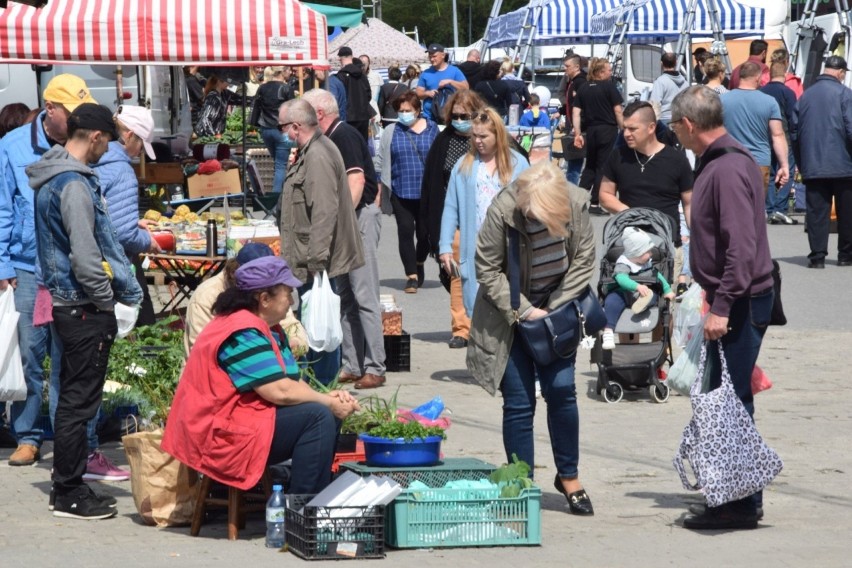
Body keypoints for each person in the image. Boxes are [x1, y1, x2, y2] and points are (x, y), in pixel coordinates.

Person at [162, 256, 360, 496]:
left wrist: (329, 397)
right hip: (215, 434)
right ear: (264, 299)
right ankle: (303, 506)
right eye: (287, 293)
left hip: (241, 419)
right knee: (317, 417)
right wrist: (326, 401)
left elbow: (291, 383)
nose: (291, 300)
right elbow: (279, 391)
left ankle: (316, 498)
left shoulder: (269, 327)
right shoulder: (241, 330)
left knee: (325, 411)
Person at [670, 85, 776, 530]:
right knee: (728, 398)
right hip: (735, 296)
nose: (674, 132)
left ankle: (741, 502)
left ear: (689, 125)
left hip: (741, 299)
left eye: (675, 125)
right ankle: (736, 495)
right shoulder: (723, 161)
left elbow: (741, 245)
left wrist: (722, 306)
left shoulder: (728, 167)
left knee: (732, 401)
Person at [30, 103, 143, 519]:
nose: (107, 150)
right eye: (107, 142)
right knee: (79, 403)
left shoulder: (50, 175)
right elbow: (85, 254)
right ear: (94, 137)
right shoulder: (73, 185)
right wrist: (106, 301)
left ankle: (67, 485)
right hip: (81, 307)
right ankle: (70, 492)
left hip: (69, 303)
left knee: (73, 399)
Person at [466, 160, 596, 516]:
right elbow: (487, 269)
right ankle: (522, 484)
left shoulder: (575, 202)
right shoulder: (504, 210)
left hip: (556, 312)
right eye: (531, 215)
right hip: (508, 318)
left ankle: (569, 476)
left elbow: (584, 259)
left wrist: (553, 310)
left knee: (562, 391)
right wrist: (523, 311)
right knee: (520, 402)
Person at [0, 74, 96, 468]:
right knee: (29, 354)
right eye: (70, 115)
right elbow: (3, 206)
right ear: (50, 109)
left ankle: (71, 439)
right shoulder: (12, 146)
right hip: (26, 268)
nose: (76, 124)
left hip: (70, 270)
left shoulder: (83, 145)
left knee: (70, 356)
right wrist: (3, 263)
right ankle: (27, 435)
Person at [302, 89, 387, 390]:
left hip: (358, 219)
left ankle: (376, 366)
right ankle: (352, 364)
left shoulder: (345, 136)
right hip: (347, 222)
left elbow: (357, 180)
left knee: (365, 296)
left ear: (320, 115)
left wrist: (338, 222)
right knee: (347, 297)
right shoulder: (327, 139)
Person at [277, 99, 365, 384]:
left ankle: (321, 389)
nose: (282, 134)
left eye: (283, 128)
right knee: (315, 324)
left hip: (314, 260)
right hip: (308, 256)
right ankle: (316, 387)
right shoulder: (310, 151)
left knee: (319, 328)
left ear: (295, 126)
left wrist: (316, 261)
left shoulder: (318, 154)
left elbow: (324, 211)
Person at [438, 107, 529, 318]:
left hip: (509, 245)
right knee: (479, 307)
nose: (478, 141)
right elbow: (451, 207)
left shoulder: (518, 163)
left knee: (510, 302)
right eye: (475, 136)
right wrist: (445, 247)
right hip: (476, 246)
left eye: (484, 136)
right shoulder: (464, 165)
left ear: (498, 135)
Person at [598, 101, 693, 294]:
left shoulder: (676, 159)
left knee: (664, 309)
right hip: (628, 246)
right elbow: (604, 195)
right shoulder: (618, 156)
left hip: (666, 246)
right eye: (624, 128)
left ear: (651, 128)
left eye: (633, 129)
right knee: (621, 301)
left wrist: (699, 238)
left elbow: (690, 203)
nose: (626, 134)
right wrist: (631, 213)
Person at [421, 90, 489, 349]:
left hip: (486, 222)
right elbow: (430, 184)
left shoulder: (487, 140)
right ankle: (461, 329)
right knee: (458, 278)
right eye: (456, 116)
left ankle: (486, 326)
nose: (460, 120)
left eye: (466, 116)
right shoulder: (444, 141)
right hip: (457, 222)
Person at [96, 104, 162, 329]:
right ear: (129, 135)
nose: (140, 152)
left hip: (92, 260)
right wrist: (147, 240)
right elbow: (122, 233)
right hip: (115, 263)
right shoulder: (123, 171)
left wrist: (132, 221)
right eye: (141, 145)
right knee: (138, 324)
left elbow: (104, 212)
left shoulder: (95, 159)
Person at [184, 243, 307, 357]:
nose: (291, 301)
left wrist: (295, 342)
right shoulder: (207, 296)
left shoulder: (270, 294)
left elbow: (291, 325)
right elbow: (204, 353)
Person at [376, 91, 439, 293]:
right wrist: (379, 188)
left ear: (418, 110)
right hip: (400, 190)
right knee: (405, 230)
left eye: (408, 110)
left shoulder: (432, 129)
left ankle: (419, 261)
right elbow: (381, 160)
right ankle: (411, 275)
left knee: (424, 234)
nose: (404, 114)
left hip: (426, 192)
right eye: (400, 111)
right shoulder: (391, 131)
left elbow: (438, 158)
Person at [796, 55, 852, 268]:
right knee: (847, 213)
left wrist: (802, 161)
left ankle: (817, 257)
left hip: (814, 164)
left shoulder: (805, 96)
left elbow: (794, 132)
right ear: (840, 72)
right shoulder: (845, 94)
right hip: (844, 166)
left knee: (817, 212)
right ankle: (846, 255)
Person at [601, 227, 675, 350]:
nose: (651, 254)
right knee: (611, 301)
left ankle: (642, 304)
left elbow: (658, 276)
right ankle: (608, 332)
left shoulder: (647, 262)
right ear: (636, 253)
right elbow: (621, 278)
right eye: (648, 252)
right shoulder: (623, 263)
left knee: (652, 295)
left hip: (643, 294)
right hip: (623, 293)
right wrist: (637, 286)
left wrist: (667, 290)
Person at [721, 61, 789, 194]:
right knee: (756, 206)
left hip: (729, 159)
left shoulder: (722, 100)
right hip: (759, 161)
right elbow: (777, 135)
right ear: (758, 78)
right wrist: (784, 165)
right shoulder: (769, 102)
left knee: (731, 204)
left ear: (740, 77)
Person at [573, 58, 624, 214]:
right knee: (602, 165)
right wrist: (623, 129)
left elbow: (576, 113)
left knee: (590, 165)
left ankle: (577, 200)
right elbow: (618, 111)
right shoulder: (610, 87)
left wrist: (577, 133)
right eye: (609, 70)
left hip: (591, 130)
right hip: (607, 129)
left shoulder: (583, 88)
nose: (611, 72)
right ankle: (595, 203)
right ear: (601, 72)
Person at [760, 62, 799, 225]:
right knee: (786, 171)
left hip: (765, 137)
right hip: (784, 138)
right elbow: (793, 117)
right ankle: (780, 208)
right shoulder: (788, 92)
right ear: (785, 75)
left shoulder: (761, 92)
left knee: (770, 172)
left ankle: (769, 208)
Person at [250, 66, 295, 194]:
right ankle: (277, 200)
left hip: (266, 130)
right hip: (282, 131)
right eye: (289, 70)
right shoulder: (287, 88)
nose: (291, 72)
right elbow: (293, 111)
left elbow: (256, 107)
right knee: (280, 165)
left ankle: (282, 194)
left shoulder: (262, 87)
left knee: (278, 163)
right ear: (282, 71)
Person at [555, 54, 587, 186]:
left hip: (578, 128)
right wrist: (561, 111)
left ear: (577, 67)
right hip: (573, 126)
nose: (565, 69)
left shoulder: (580, 82)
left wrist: (577, 127)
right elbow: (572, 104)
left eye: (567, 66)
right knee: (573, 162)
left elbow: (583, 107)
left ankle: (572, 192)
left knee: (574, 164)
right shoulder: (572, 82)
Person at [416, 43, 469, 122]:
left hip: (450, 116)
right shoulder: (425, 73)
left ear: (443, 55)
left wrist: (450, 81)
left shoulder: (455, 71)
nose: (432, 59)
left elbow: (466, 88)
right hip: (429, 117)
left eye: (434, 56)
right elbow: (418, 93)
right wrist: (427, 93)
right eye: (430, 56)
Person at [336, 47, 376, 140]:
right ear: (352, 56)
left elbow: (340, 96)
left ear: (340, 58)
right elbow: (368, 95)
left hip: (349, 116)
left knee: (351, 145)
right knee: (363, 145)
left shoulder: (341, 75)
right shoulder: (362, 75)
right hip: (363, 115)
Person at [649, 52, 689, 124]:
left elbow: (655, 104)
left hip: (665, 120)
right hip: (681, 120)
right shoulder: (685, 83)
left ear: (661, 63)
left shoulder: (660, 82)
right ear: (676, 63)